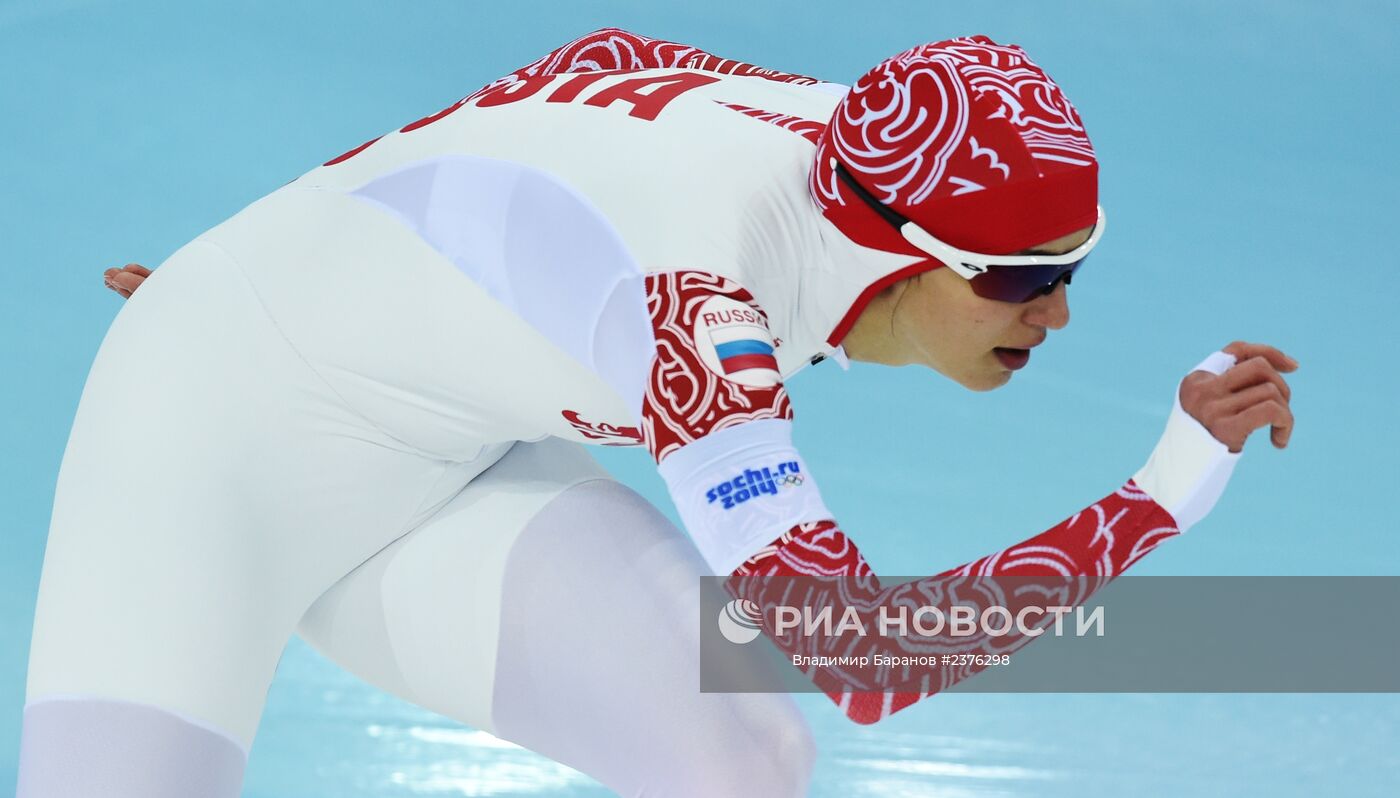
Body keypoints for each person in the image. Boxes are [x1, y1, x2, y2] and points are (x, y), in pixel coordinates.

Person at [21, 28, 1296, 798]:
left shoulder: (834, 127)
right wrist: (1164, 487)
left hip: (439, 468)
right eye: (1023, 281)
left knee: (739, 762)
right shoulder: (695, 308)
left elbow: (587, 69)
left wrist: (303, 244)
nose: (1057, 318)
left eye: (1072, 270)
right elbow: (866, 661)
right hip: (206, 445)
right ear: (900, 251)